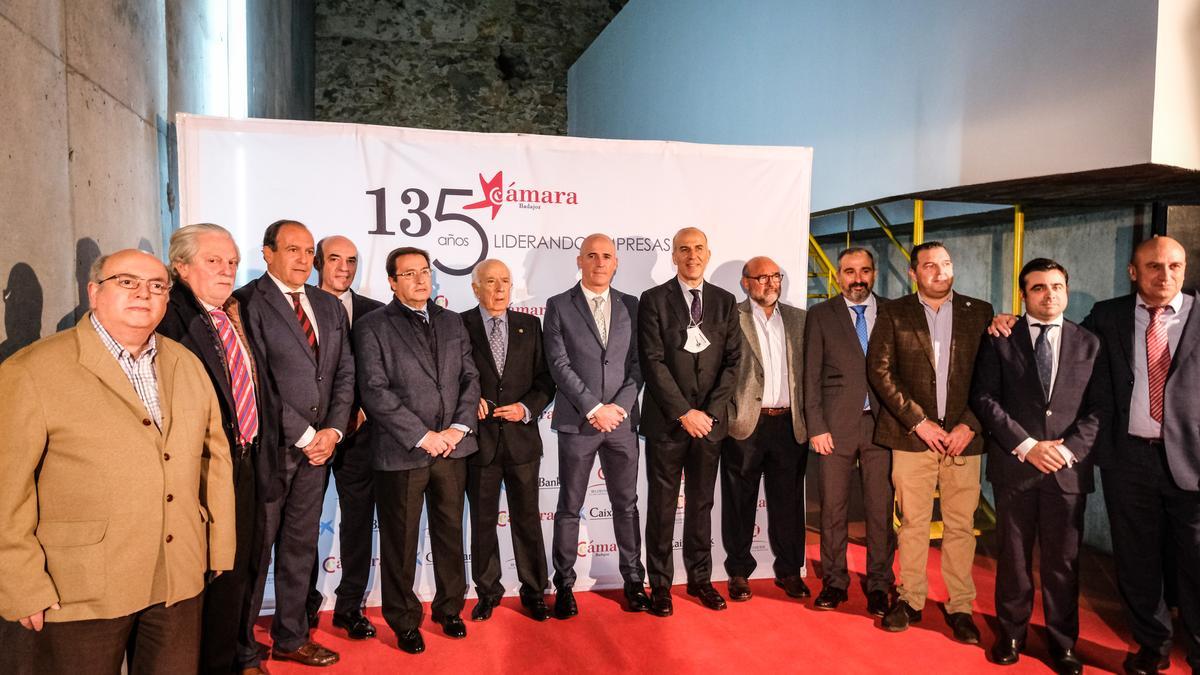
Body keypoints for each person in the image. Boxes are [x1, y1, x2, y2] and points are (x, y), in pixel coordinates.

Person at [0, 249, 235, 674]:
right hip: (77, 588)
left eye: (157, 286)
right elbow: (6, 489)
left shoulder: (187, 365)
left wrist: (216, 546)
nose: (144, 294)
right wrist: (19, 582)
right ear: (94, 292)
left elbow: (212, 459)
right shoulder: (32, 371)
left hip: (176, 578)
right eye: (127, 282)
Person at [159, 223, 280, 674]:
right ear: (181, 266)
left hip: (245, 463)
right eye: (214, 261)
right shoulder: (169, 319)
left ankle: (230, 659)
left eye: (231, 261)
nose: (227, 269)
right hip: (200, 472)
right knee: (205, 579)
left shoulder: (232, 313)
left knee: (237, 571)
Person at [970, 258, 1100, 674]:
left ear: (1066, 289)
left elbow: (1101, 409)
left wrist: (1066, 450)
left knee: (1063, 564)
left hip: (1066, 470)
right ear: (1024, 294)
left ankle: (1063, 644)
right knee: (1012, 558)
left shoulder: (1089, 343)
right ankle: (1011, 633)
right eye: (1039, 287)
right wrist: (1026, 446)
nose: (1049, 295)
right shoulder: (999, 339)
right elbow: (984, 398)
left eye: (1057, 286)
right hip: (1016, 467)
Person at [235, 220, 355, 668]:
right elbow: (256, 381)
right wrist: (305, 436)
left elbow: (344, 372)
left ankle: (290, 637)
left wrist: (333, 432)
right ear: (267, 253)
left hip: (320, 451)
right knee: (256, 551)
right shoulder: (245, 303)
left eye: (309, 252)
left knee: (300, 548)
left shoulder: (326, 305)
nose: (304, 260)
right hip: (270, 451)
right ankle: (243, 650)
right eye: (293, 250)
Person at [1082, 236, 1200, 675]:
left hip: (1193, 458)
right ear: (1134, 271)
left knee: (1195, 557)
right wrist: (1007, 324)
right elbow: (1065, 347)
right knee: (1136, 558)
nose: (1165, 275)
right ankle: (1153, 646)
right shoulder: (1107, 316)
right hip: (1128, 459)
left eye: (1174, 266)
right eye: (1153, 266)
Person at [354, 246, 480, 655]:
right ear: (392, 281)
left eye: (424, 271)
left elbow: (469, 377)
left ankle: (449, 609)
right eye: (408, 274)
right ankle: (404, 620)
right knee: (400, 543)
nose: (420, 279)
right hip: (402, 451)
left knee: (448, 535)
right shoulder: (373, 326)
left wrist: (458, 429)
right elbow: (374, 391)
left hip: (452, 449)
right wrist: (425, 435)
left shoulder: (452, 322)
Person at [867, 241, 992, 643]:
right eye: (930, 266)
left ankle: (960, 607)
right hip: (913, 439)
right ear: (914, 273)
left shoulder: (980, 312)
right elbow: (880, 371)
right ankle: (911, 600)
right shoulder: (894, 312)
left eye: (947, 263)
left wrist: (968, 425)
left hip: (963, 440)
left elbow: (990, 378)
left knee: (960, 526)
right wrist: (919, 423)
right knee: (914, 524)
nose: (940, 271)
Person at [544, 233, 651, 618]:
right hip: (579, 423)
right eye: (592, 255)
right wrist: (593, 408)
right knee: (569, 507)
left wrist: (618, 408)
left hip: (622, 424)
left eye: (607, 256)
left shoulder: (632, 305)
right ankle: (565, 587)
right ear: (579, 260)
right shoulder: (558, 305)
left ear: (616, 262)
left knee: (627, 505)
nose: (600, 262)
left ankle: (634, 582)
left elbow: (640, 363)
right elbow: (559, 365)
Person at [638, 227, 742, 616]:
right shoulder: (653, 300)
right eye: (684, 249)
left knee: (701, 505)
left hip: (710, 424)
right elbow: (652, 360)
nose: (692, 255)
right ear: (674, 256)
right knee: (662, 506)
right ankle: (661, 586)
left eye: (698, 248)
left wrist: (710, 413)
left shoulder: (725, 301)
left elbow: (733, 362)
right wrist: (684, 412)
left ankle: (700, 580)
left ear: (708, 254)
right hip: (668, 422)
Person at [461, 259, 556, 622]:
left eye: (505, 281)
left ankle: (534, 591)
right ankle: (487, 592)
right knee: (483, 523)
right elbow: (450, 375)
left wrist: (526, 408)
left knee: (528, 520)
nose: (499, 289)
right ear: (475, 288)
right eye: (490, 281)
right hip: (479, 444)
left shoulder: (530, 326)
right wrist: (470, 401)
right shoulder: (459, 326)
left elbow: (546, 380)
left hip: (522, 442)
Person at [803, 247, 895, 616]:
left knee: (879, 510)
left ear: (874, 274)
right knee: (833, 510)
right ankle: (835, 582)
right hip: (834, 429)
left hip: (883, 428)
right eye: (849, 271)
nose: (857, 278)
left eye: (865, 271)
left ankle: (878, 584)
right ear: (838, 275)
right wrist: (817, 426)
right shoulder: (821, 315)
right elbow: (810, 375)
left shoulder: (893, 311)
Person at [305, 235, 384, 641]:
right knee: (301, 524)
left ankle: (349, 606)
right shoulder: (295, 308)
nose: (344, 268)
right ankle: (302, 605)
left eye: (352, 261)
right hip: (309, 438)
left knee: (356, 524)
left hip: (360, 436)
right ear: (319, 261)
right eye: (335, 259)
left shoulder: (375, 313)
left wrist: (364, 410)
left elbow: (387, 372)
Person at [721, 256, 810, 602]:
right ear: (745, 283)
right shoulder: (732, 318)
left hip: (790, 425)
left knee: (788, 504)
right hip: (745, 426)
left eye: (776, 276)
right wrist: (729, 415)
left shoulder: (800, 320)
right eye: (762, 278)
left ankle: (789, 571)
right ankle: (739, 572)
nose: (771, 283)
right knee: (739, 504)